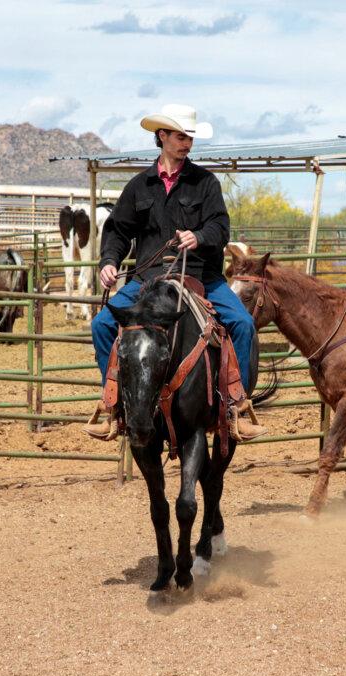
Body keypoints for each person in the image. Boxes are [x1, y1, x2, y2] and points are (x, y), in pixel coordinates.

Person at [83, 104, 266, 442]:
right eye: (181, 136)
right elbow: (118, 231)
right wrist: (109, 262)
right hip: (147, 279)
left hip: (201, 277)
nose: (187, 143)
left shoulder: (205, 183)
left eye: (190, 137)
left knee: (242, 324)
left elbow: (220, 227)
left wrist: (199, 237)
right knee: (102, 324)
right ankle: (116, 401)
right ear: (162, 136)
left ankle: (235, 406)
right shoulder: (139, 186)